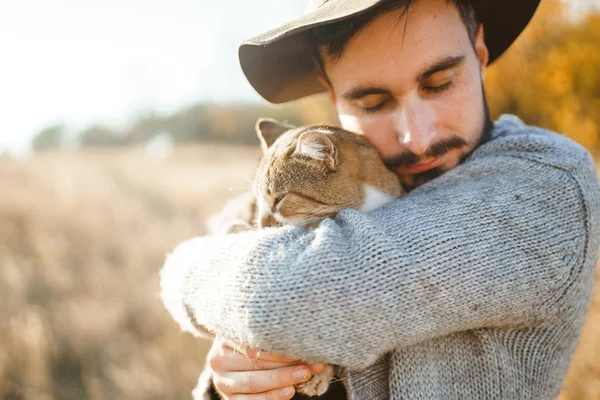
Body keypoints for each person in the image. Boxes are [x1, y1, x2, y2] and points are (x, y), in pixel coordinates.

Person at [159, 0, 600, 398]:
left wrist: (185, 272)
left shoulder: (547, 182)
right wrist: (230, 380)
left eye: (440, 82)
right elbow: (232, 230)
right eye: (373, 102)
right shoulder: (340, 171)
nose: (417, 137)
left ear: (480, 55)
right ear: (333, 98)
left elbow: (275, 297)